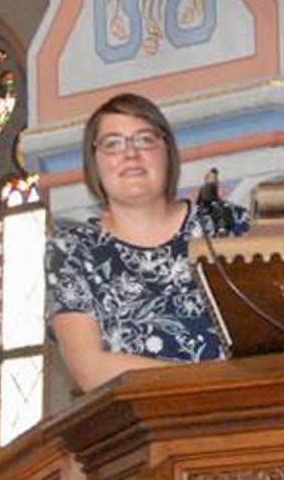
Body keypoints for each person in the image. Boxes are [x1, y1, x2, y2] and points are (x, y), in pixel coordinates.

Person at [45, 93, 249, 391]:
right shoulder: (74, 250)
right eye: (113, 144)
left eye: (145, 140)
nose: (131, 154)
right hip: (142, 417)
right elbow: (89, 369)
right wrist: (213, 382)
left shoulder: (224, 224)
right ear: (94, 163)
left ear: (168, 153)